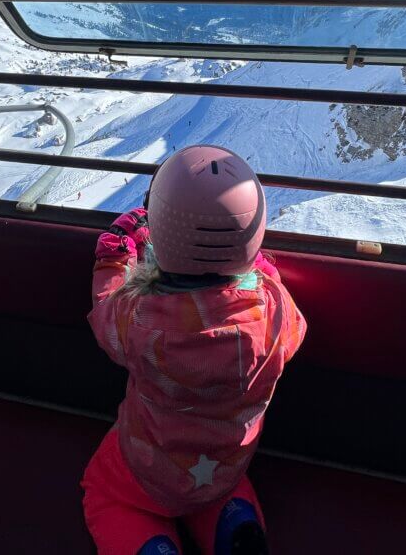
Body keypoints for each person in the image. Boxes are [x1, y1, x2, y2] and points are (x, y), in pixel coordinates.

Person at [82, 145, 306, 555]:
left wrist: (112, 257)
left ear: (161, 230)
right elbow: (294, 328)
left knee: (106, 493)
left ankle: (151, 546)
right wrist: (259, 270)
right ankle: (235, 521)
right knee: (217, 489)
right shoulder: (274, 311)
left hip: (149, 466)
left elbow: (104, 315)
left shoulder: (140, 321)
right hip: (226, 461)